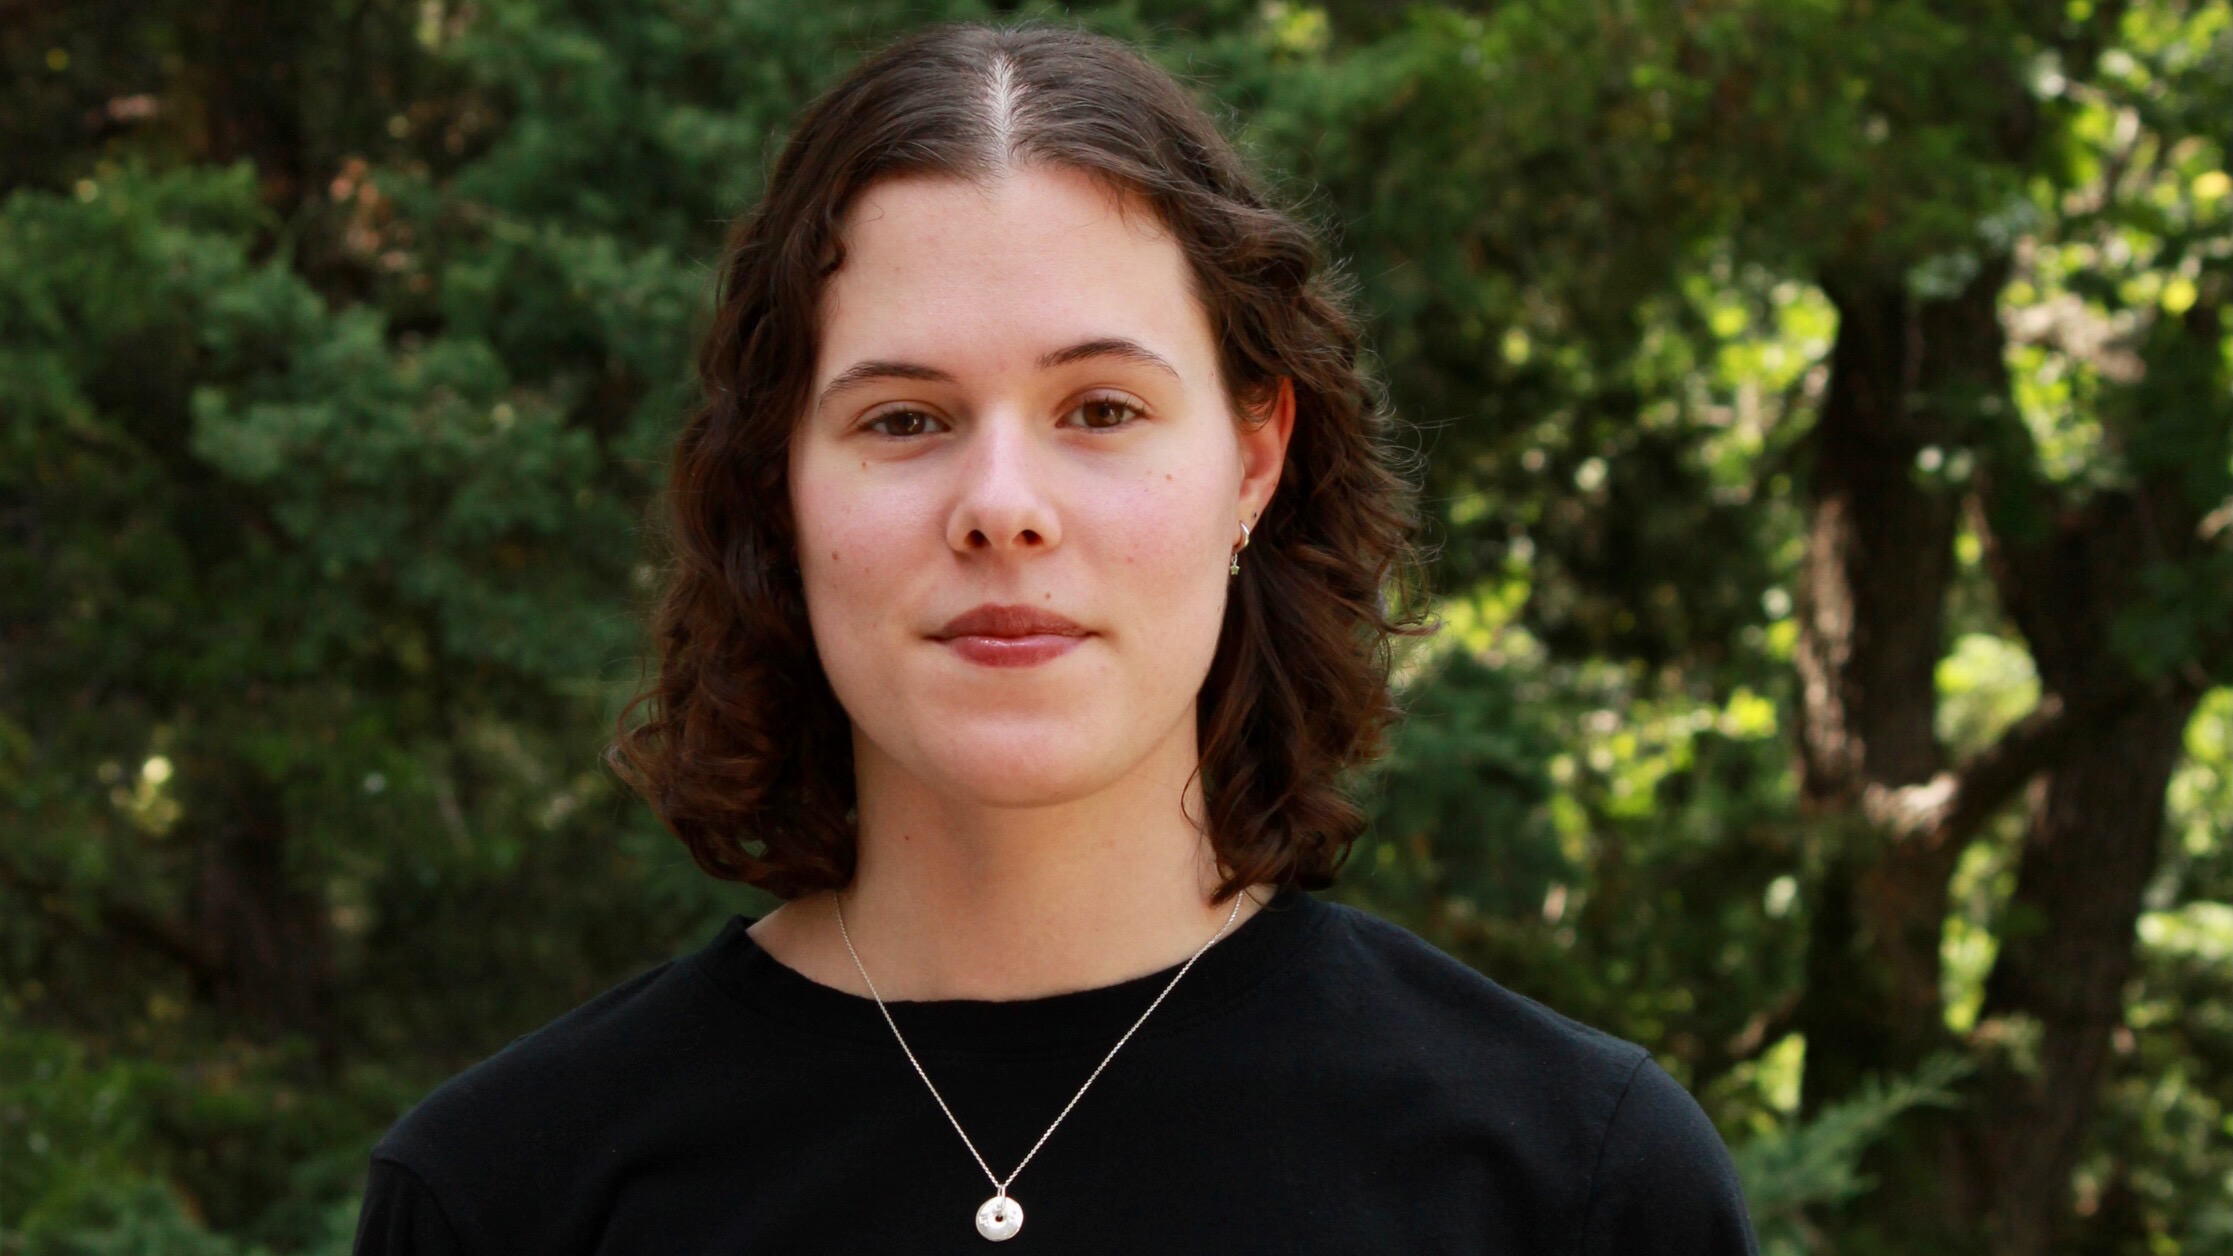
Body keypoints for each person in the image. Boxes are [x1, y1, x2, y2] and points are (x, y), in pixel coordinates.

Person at [353, 20, 1761, 1255]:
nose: (1002, 509)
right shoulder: (504, 1197)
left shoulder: (1574, 1184)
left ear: (1255, 460)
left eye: (1100, 410)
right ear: (777, 485)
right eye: (902, 420)